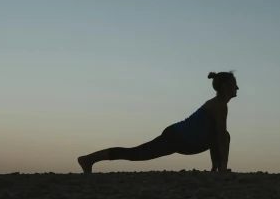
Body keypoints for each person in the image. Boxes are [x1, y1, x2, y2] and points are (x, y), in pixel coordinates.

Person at [77, 71, 239, 174]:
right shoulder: (219, 106)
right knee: (136, 154)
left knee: (222, 136)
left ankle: (217, 170)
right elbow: (221, 137)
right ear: (225, 87)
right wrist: (224, 168)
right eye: (234, 84)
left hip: (180, 137)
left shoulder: (216, 104)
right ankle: (88, 159)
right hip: (176, 138)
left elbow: (218, 137)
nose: (237, 88)